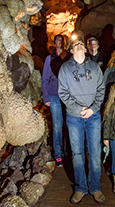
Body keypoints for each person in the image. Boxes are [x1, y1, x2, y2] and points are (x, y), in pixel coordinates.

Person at [58, 33, 106, 204]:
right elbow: (62, 92)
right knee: (77, 154)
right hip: (74, 117)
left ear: (85, 48)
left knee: (94, 153)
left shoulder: (94, 67)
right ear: (71, 50)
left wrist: (92, 109)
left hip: (93, 116)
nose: (78, 45)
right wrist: (79, 109)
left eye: (81, 43)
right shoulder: (65, 69)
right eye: (75, 44)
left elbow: (101, 89)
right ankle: (80, 188)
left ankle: (95, 187)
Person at [42, 34, 71, 167]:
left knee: (68, 125)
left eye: (61, 40)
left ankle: (67, 152)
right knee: (57, 126)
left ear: (64, 42)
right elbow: (45, 78)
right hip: (54, 96)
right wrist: (46, 96)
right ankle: (58, 155)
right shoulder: (50, 58)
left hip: (68, 96)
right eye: (57, 40)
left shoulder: (69, 57)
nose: (59, 42)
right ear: (54, 43)